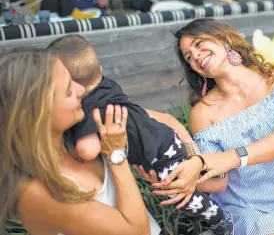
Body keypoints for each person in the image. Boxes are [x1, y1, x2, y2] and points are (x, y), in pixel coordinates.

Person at [144, 18, 274, 235]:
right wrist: (176, 177)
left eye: (199, 44)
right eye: (189, 57)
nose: (196, 55)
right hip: (246, 208)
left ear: (224, 38)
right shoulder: (204, 112)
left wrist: (232, 157)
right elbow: (219, 182)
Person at [47, 34, 234, 235]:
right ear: (99, 70)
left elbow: (86, 149)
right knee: (190, 178)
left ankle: (219, 220)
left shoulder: (90, 109)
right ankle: (215, 170)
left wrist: (103, 146)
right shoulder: (106, 85)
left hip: (157, 152)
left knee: (180, 191)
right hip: (163, 137)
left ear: (74, 86)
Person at [0, 48, 158, 234]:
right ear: (37, 114)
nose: (81, 90)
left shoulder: (75, 130)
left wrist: (196, 160)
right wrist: (117, 154)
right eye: (68, 91)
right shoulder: (37, 191)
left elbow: (163, 120)